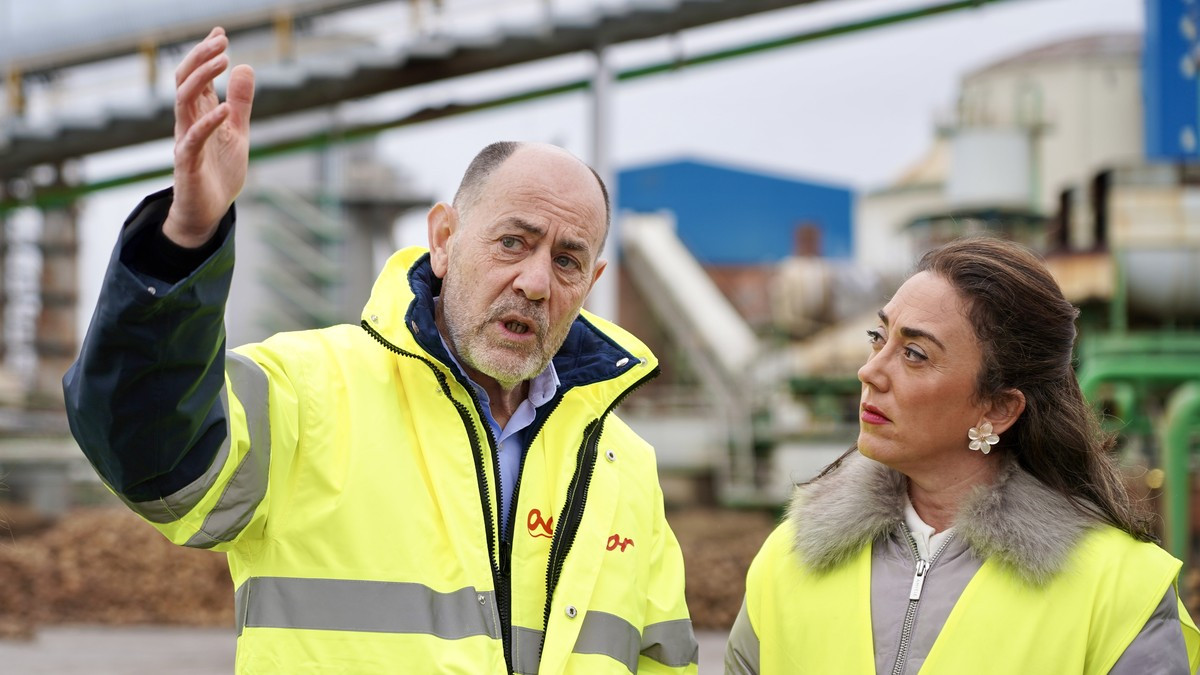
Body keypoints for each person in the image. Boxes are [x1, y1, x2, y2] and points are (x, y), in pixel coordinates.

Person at [63, 27, 697, 674]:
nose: (535, 282)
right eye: (513, 241)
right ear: (444, 239)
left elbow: (662, 660)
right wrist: (185, 240)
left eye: (567, 260)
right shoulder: (307, 395)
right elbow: (153, 452)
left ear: (590, 284)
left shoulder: (625, 467)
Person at [726, 237, 1200, 674]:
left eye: (914, 353)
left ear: (997, 408)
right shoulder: (788, 557)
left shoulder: (1120, 589)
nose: (870, 370)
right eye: (878, 336)